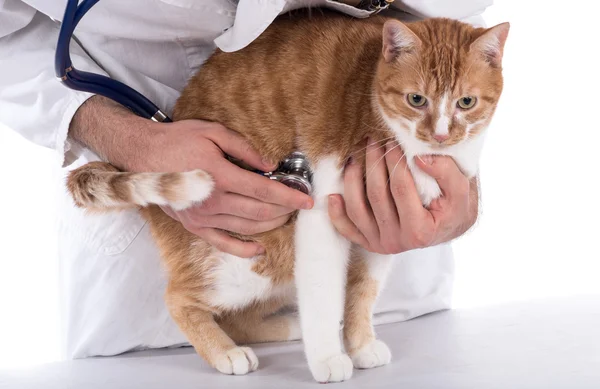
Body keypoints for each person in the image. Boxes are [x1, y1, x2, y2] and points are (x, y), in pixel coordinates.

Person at [0, 0, 491, 359]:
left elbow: (462, 38)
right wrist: (131, 141)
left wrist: (458, 186)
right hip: (165, 243)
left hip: (399, 285)